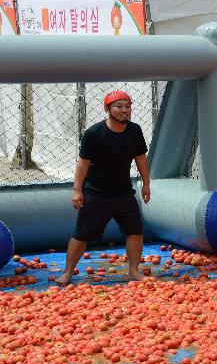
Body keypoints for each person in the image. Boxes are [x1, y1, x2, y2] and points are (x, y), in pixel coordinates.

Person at [55, 90, 150, 285]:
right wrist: (77, 190)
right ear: (108, 109)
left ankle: (133, 270)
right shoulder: (94, 133)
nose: (125, 110)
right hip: (97, 194)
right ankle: (67, 272)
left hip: (124, 193)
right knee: (81, 234)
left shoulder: (135, 131)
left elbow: (140, 158)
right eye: (119, 106)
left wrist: (147, 183)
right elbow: (83, 164)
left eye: (128, 106)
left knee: (136, 231)